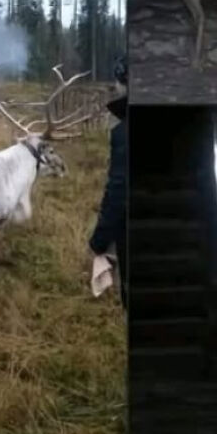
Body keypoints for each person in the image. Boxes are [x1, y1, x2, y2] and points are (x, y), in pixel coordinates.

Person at [89, 55, 127, 308]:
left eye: (118, 80)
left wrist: (99, 240)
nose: (115, 87)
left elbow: (120, 188)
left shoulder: (123, 133)